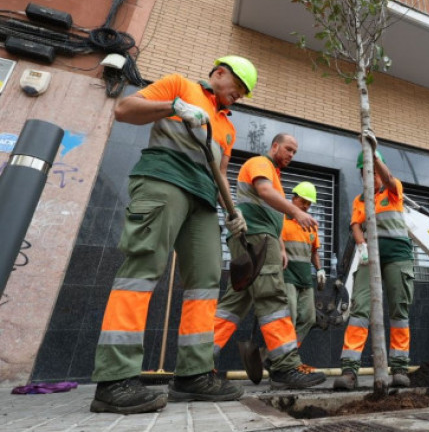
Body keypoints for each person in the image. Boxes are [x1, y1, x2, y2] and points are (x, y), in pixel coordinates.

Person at [90, 56, 258, 414]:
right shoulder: (180, 86)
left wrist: (233, 211)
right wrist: (173, 107)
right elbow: (125, 109)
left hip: (203, 200)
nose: (238, 97)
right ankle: (115, 380)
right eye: (237, 88)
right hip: (163, 180)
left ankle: (193, 375)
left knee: (206, 280)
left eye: (243, 94)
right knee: (143, 270)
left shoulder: (227, 127)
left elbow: (221, 173)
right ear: (219, 73)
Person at [212, 134, 326, 389]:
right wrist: (295, 212)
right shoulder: (261, 164)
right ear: (274, 146)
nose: (291, 155)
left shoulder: (273, 174)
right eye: (288, 149)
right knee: (273, 299)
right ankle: (285, 367)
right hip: (258, 240)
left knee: (234, 304)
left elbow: (269, 209)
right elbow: (264, 191)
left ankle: (199, 364)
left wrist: (280, 246)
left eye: (295, 152)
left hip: (255, 239)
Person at [334, 133, 415, 391]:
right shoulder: (360, 200)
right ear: (361, 173)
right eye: (366, 171)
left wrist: (374, 153)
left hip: (398, 256)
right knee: (359, 310)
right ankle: (349, 371)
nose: (371, 176)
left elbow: (389, 179)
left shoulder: (392, 190)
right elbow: (355, 226)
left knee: (398, 311)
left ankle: (400, 368)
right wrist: (361, 245)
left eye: (373, 171)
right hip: (370, 259)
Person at [282, 182, 326, 366]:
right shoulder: (282, 221)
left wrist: (320, 269)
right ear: (294, 198)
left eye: (309, 203)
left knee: (308, 318)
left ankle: (285, 354)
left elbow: (314, 252)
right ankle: (285, 360)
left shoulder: (311, 226)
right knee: (289, 316)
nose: (306, 206)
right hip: (287, 276)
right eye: (304, 201)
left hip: (305, 278)